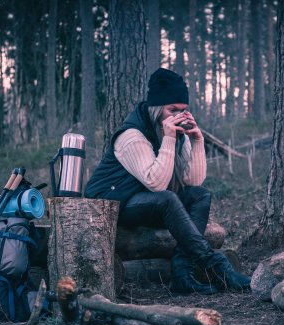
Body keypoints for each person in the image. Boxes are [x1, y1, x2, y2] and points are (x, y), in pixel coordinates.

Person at [85, 68, 250, 295]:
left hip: (144, 199)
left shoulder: (175, 132)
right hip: (111, 203)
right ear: (156, 108)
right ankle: (216, 264)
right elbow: (157, 184)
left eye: (183, 110)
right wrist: (169, 139)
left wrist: (198, 141)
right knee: (167, 198)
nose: (179, 115)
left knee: (201, 194)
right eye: (172, 109)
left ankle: (183, 274)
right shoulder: (132, 135)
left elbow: (193, 181)